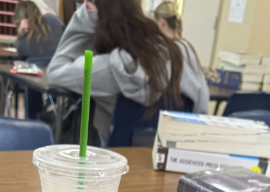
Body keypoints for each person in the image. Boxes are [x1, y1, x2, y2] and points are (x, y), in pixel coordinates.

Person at [46, 0, 209, 146]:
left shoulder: (109, 69)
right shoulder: (183, 55)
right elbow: (201, 111)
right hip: (173, 162)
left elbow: (55, 70)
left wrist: (84, 18)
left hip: (118, 163)